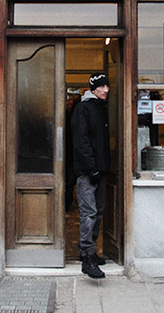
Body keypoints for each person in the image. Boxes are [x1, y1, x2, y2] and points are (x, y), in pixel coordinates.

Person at [71, 72, 111, 279]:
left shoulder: (99, 108)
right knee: (89, 213)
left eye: (107, 86)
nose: (105, 90)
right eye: (101, 86)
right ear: (93, 88)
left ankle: (89, 251)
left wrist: (101, 168)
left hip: (100, 170)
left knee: (99, 211)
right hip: (88, 173)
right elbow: (81, 141)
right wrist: (91, 168)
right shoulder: (83, 108)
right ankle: (86, 257)